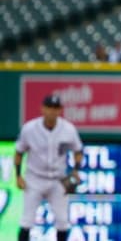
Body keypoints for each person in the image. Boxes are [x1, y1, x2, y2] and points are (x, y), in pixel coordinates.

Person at [15, 95, 84, 241]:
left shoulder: (68, 129)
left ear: (60, 110)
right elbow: (19, 152)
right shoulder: (29, 128)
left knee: (62, 221)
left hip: (58, 180)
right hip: (34, 178)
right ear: (43, 108)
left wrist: (76, 170)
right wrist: (18, 176)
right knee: (27, 220)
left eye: (56, 108)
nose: (52, 111)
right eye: (49, 107)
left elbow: (78, 151)